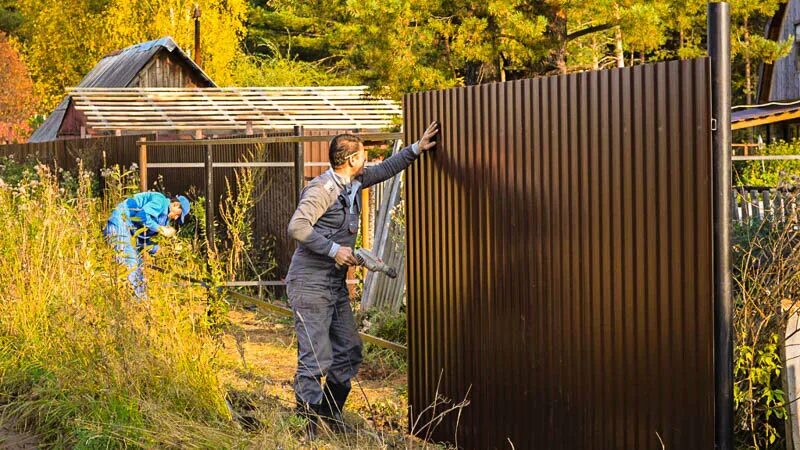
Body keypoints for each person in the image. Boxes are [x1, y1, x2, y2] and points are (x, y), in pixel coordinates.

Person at [286, 122, 439, 438]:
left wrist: (416, 148)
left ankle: (329, 415)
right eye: (363, 157)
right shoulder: (322, 189)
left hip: (334, 284)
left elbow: (385, 169)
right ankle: (306, 429)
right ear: (351, 160)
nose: (367, 162)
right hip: (310, 283)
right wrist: (332, 250)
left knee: (349, 350)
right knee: (315, 358)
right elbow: (298, 227)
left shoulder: (354, 182)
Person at [104, 192, 190, 298]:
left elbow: (142, 238)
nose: (176, 218)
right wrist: (160, 229)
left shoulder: (164, 220)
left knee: (139, 268)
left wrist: (158, 249)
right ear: (176, 204)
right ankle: (133, 303)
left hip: (129, 232)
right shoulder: (161, 201)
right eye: (178, 214)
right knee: (131, 263)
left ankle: (141, 302)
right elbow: (141, 216)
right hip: (120, 223)